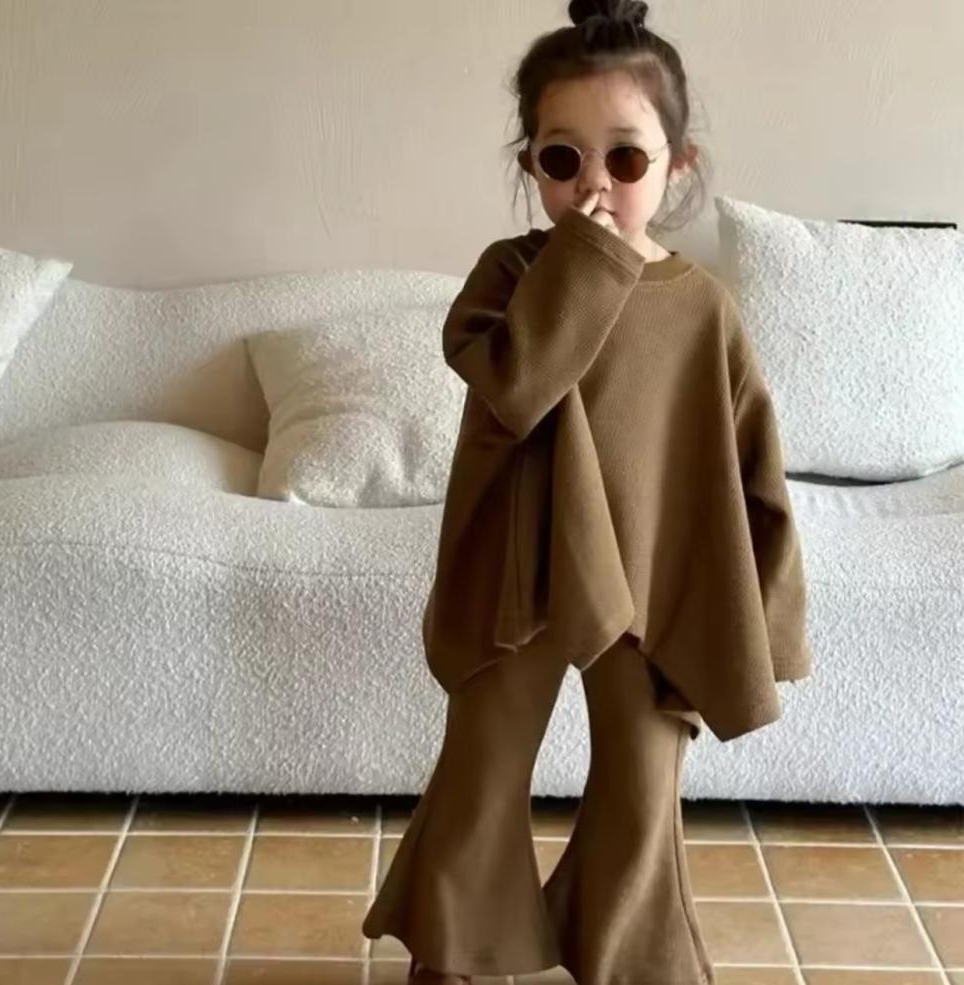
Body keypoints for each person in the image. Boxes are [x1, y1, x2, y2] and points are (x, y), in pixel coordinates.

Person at [362, 1, 813, 982]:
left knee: (644, 790)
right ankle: (457, 952)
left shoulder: (700, 307)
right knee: (483, 770)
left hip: (651, 584)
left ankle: (630, 959)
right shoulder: (506, 279)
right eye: (562, 159)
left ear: (678, 164)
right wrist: (587, 259)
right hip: (516, 578)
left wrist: (770, 615)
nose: (594, 184)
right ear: (530, 164)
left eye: (627, 158)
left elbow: (751, 464)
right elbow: (518, 383)